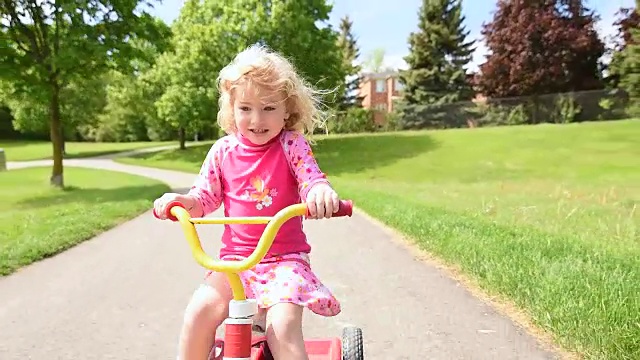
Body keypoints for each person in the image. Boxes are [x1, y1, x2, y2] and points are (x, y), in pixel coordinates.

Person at [153, 44, 342, 360]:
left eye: (269, 108)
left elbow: (311, 179)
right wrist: (184, 202)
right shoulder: (223, 151)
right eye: (245, 108)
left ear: (287, 110)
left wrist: (319, 193)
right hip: (235, 262)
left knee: (282, 328)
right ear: (231, 109)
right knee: (199, 312)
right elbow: (204, 198)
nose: (257, 119)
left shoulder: (291, 145)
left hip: (285, 261)